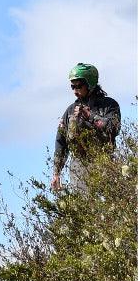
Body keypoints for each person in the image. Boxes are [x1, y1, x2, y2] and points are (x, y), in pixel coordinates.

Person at [51, 63, 122, 192]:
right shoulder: (70, 110)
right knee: (84, 210)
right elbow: (61, 142)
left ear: (90, 84)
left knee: (108, 207)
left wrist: (89, 115)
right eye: (72, 86)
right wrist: (56, 173)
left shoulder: (109, 105)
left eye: (79, 86)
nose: (75, 90)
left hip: (105, 164)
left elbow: (113, 128)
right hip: (79, 169)